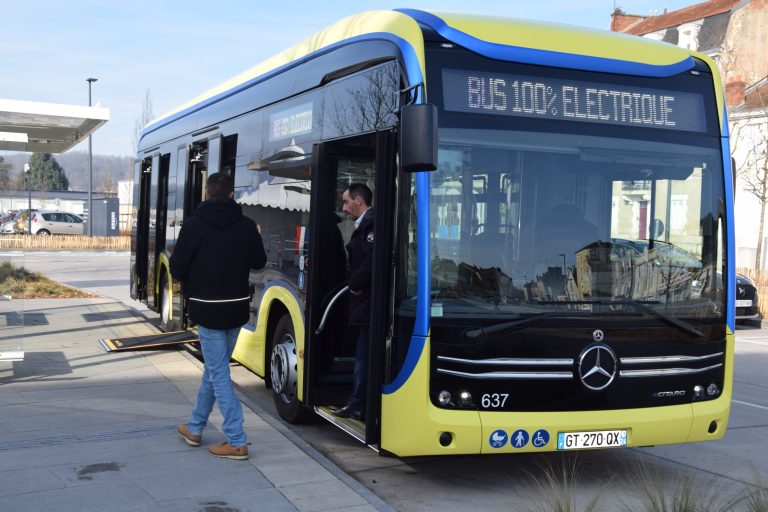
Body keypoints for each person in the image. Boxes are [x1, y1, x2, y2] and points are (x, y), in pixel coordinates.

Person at [170, 172, 266, 460]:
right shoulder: (247, 225)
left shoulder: (193, 225)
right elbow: (259, 262)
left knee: (218, 373)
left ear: (207, 193)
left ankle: (236, 440)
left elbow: (176, 268)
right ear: (231, 195)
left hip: (206, 308)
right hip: (236, 309)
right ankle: (196, 427)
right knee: (216, 369)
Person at [332, 183, 374, 421]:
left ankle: (358, 404)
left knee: (364, 354)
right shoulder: (365, 225)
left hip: (367, 303)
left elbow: (370, 263)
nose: (344, 208)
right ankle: (358, 401)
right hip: (363, 303)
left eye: (346, 202)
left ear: (359, 201)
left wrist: (354, 285)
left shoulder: (371, 225)